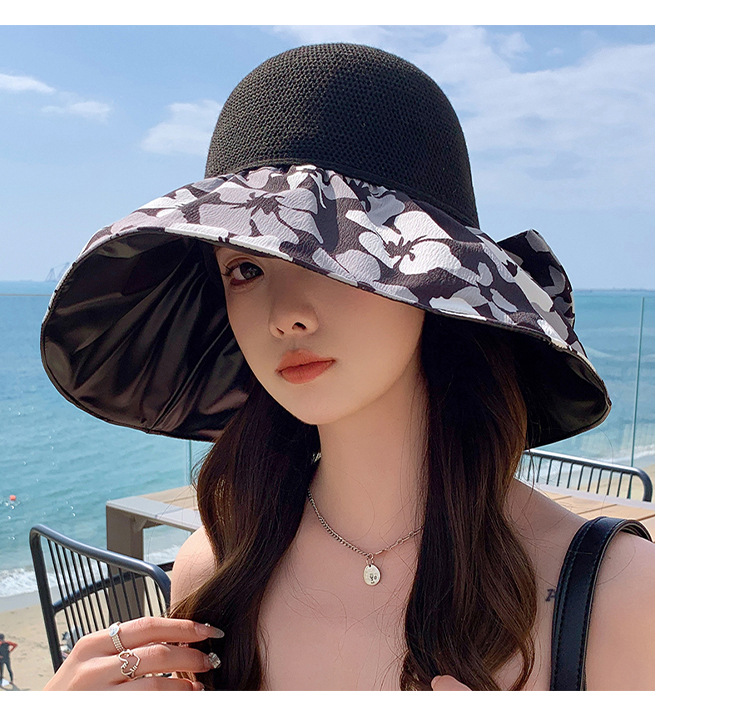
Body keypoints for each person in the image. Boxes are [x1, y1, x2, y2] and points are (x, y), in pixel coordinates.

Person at [40, 43, 654, 691]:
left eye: (332, 254)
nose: (285, 315)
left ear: (433, 272)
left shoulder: (620, 600)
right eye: (244, 269)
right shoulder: (217, 573)